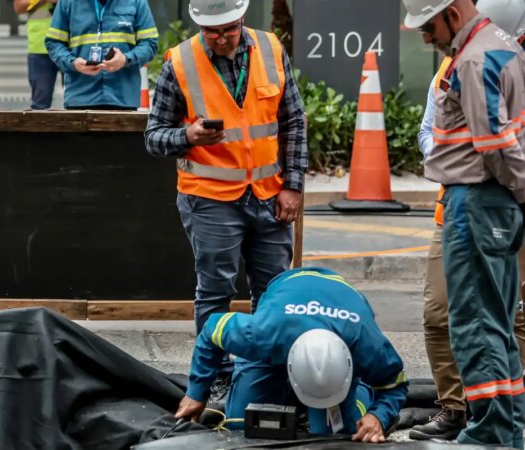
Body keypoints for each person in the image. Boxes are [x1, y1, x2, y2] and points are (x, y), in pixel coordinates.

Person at [143, 0, 307, 400]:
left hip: (269, 195)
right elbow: (153, 136)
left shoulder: (270, 49)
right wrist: (187, 136)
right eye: (212, 32)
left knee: (274, 292)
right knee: (216, 291)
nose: (220, 38)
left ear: (242, 20)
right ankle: (214, 377)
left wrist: (293, 186)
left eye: (228, 30)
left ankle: (267, 374)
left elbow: (293, 121)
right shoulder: (180, 63)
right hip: (210, 198)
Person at [403, 0, 525, 446]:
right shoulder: (504, 48)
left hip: (474, 201)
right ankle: (507, 430)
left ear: (453, 13)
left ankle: (490, 434)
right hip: (490, 202)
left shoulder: (474, 59)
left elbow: (495, 145)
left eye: (428, 25)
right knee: (497, 324)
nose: (424, 36)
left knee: (475, 325)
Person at [174, 268, 409, 443]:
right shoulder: (265, 334)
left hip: (341, 298)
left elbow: (396, 385)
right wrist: (197, 393)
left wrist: (378, 416)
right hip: (285, 299)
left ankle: (360, 389)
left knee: (339, 436)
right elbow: (211, 329)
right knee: (242, 428)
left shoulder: (365, 343)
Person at [44, 0, 158, 110]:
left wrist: (126, 59)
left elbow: (149, 43)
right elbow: (54, 43)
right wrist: (73, 63)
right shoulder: (68, 2)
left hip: (123, 97)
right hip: (80, 96)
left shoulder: (136, 1)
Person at [14, 0, 60, 110]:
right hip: (40, 45)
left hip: (71, 44)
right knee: (40, 103)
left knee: (76, 100)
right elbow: (18, 7)